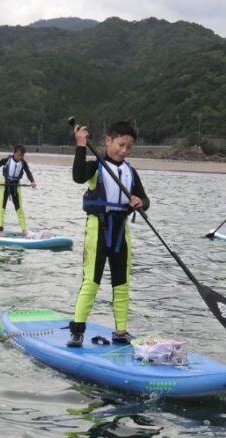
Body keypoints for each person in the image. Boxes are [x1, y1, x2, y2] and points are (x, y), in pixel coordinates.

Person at [67, 121, 150, 348]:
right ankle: (77, 330)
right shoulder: (97, 167)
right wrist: (81, 146)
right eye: (120, 145)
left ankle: (121, 332)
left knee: (121, 283)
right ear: (108, 141)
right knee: (91, 281)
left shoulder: (131, 171)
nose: (124, 151)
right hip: (98, 229)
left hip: (121, 231)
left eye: (128, 147)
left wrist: (139, 201)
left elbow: (145, 201)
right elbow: (77, 176)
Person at [0, 145, 36, 236]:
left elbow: (28, 172)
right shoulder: (6, 160)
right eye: (19, 155)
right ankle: (0, 230)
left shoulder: (23, 163)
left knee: (19, 209)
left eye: (22, 156)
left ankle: (24, 230)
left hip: (16, 186)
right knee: (1, 208)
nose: (20, 157)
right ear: (14, 153)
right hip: (5, 185)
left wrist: (32, 181)